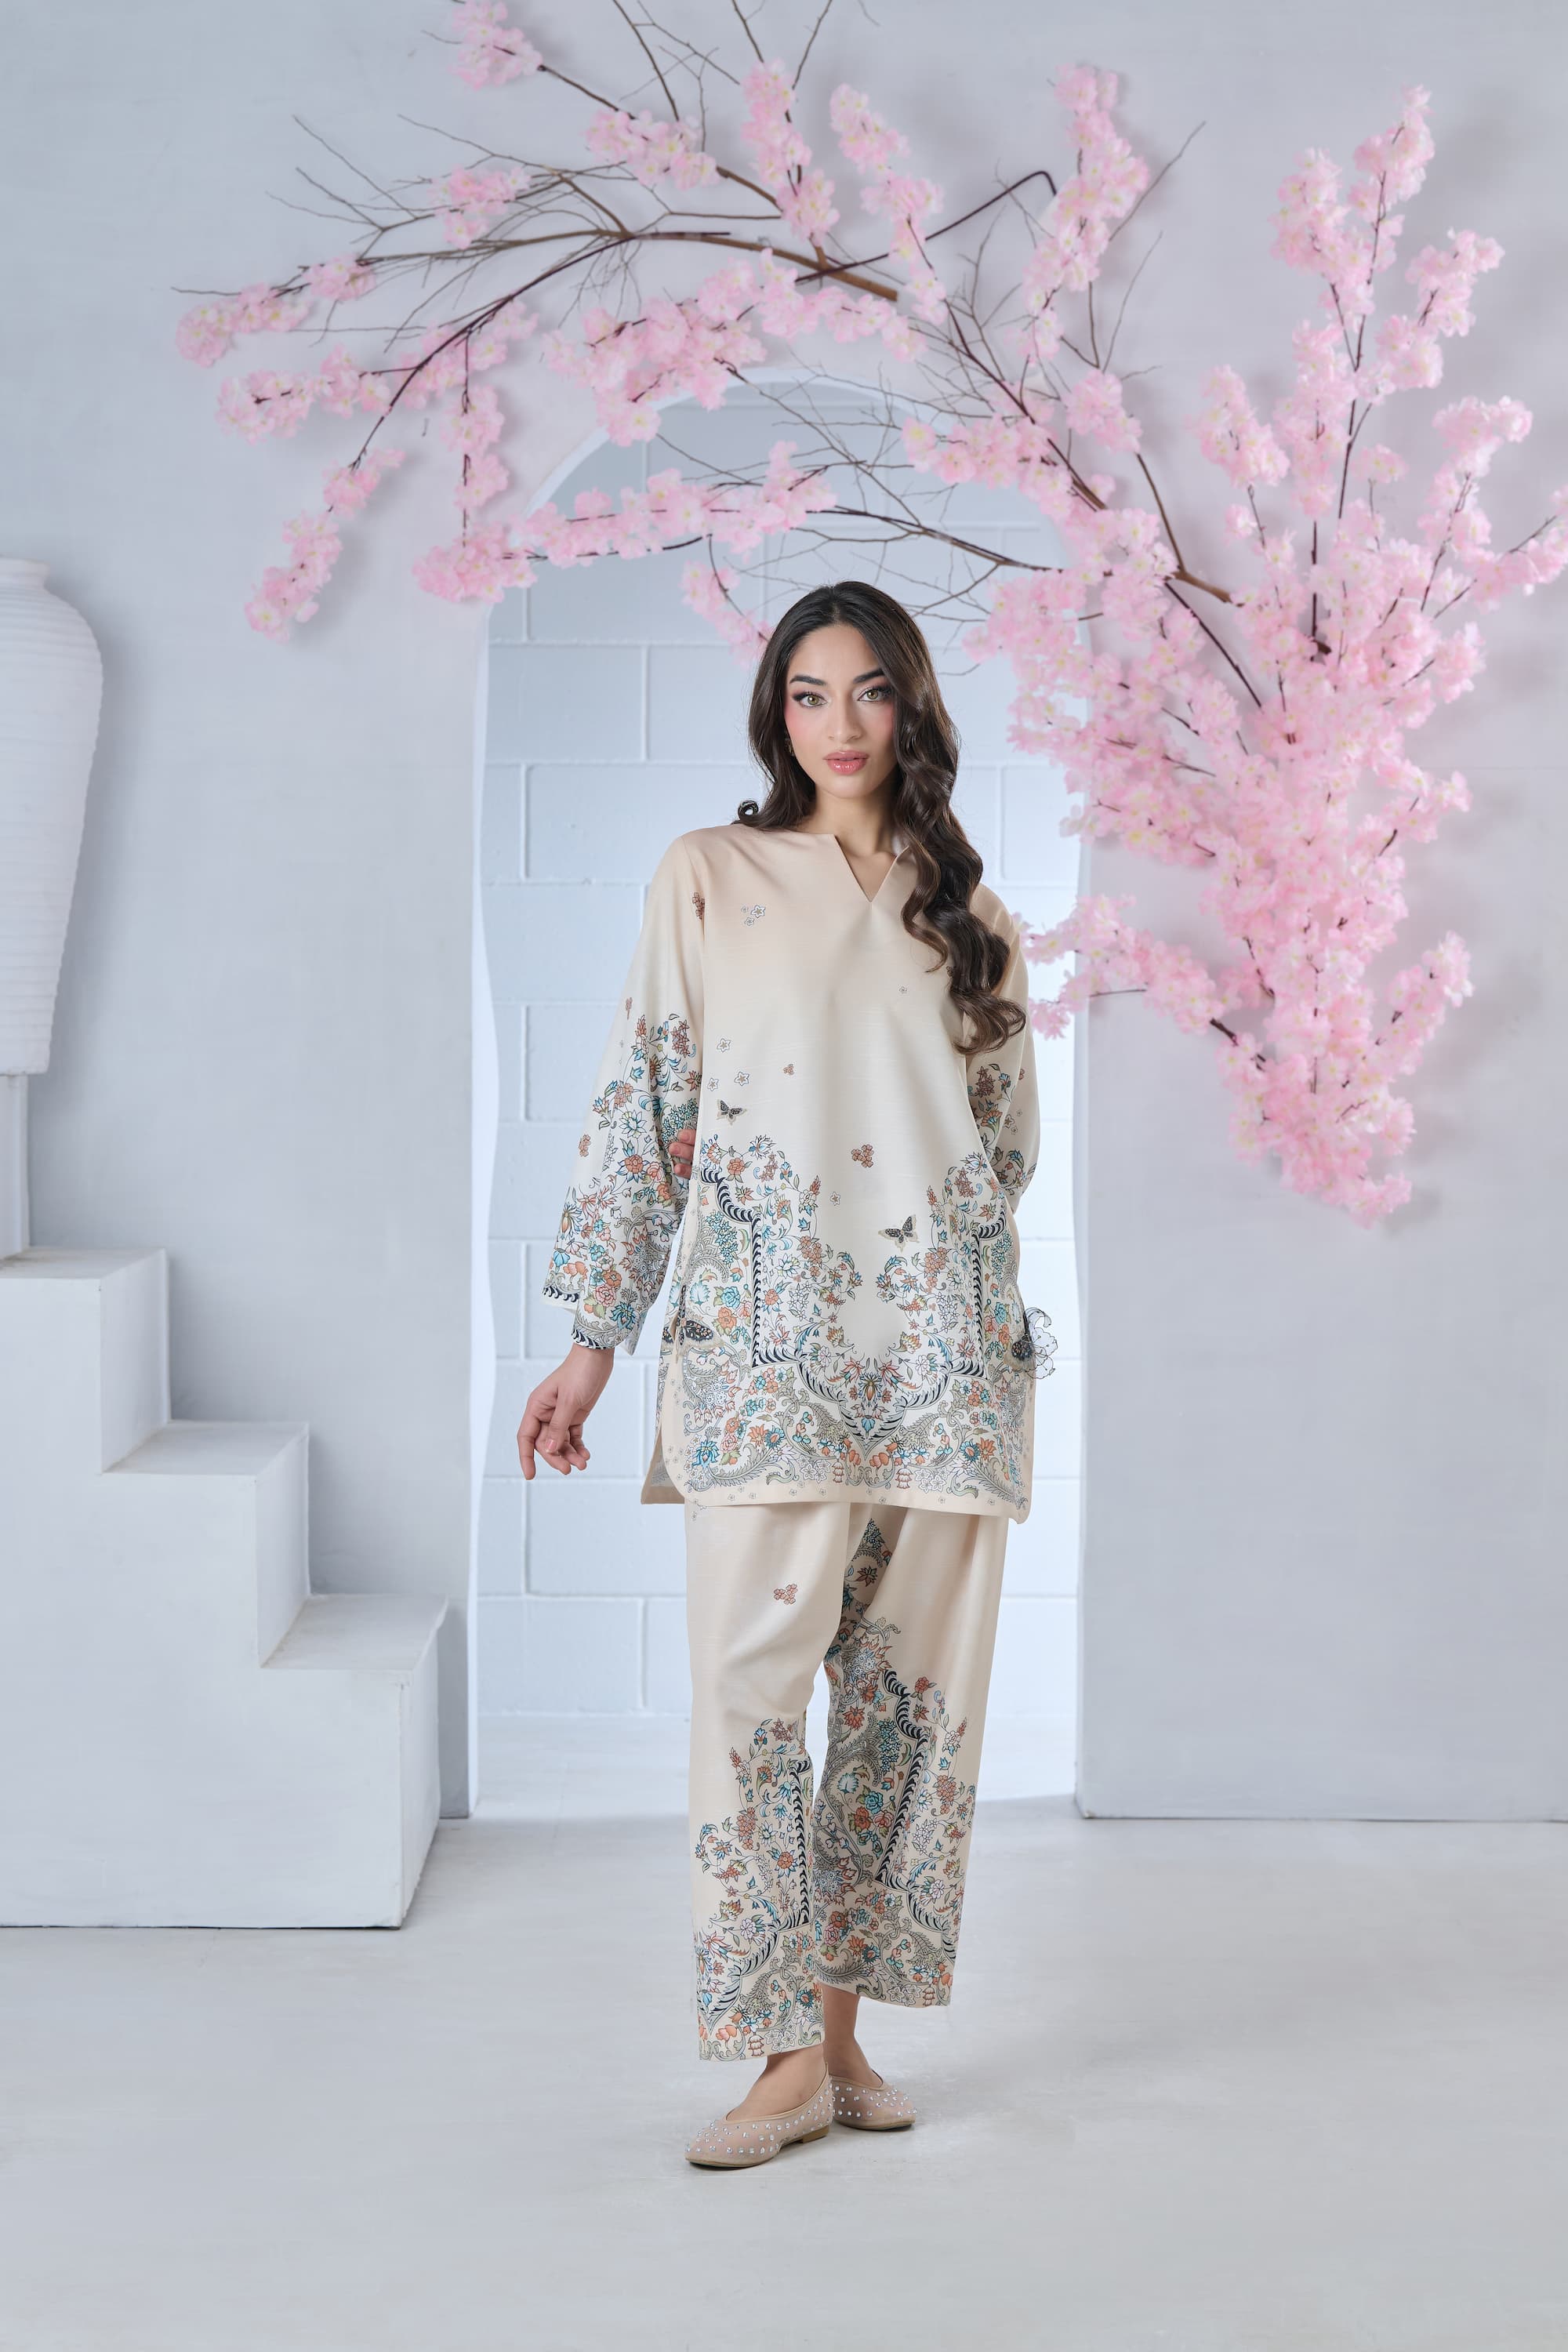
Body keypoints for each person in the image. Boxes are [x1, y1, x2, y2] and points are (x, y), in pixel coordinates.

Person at [517, 579, 1052, 2169]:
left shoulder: (972, 908)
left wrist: (958, 1300)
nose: (839, 724)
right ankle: (772, 2056)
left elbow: (1006, 1151)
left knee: (906, 1716)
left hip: (946, 1366)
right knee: (747, 1707)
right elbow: (648, 1104)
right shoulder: (712, 875)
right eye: (808, 695)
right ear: (776, 714)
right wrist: (593, 1338)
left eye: (869, 691)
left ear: (913, 707)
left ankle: (833, 2045)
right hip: (763, 1360)